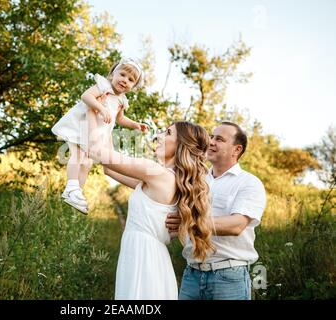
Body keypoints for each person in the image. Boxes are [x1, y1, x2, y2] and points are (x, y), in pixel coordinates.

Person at [88, 120, 214, 300]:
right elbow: (108, 169)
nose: (158, 136)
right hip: (146, 254)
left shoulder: (156, 173)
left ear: (181, 145)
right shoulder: (165, 179)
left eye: (168, 133)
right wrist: (111, 120)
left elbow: (97, 153)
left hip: (144, 256)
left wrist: (96, 117)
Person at [166, 121, 267, 300]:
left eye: (219, 139)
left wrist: (188, 222)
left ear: (237, 149)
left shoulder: (249, 183)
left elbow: (236, 225)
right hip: (191, 275)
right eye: (211, 137)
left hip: (228, 278)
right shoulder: (197, 179)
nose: (211, 142)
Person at [51, 58, 148, 215]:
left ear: (133, 86)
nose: (125, 80)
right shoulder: (104, 86)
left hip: (96, 133)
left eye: (131, 80)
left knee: (87, 164)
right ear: (112, 74)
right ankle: (71, 186)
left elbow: (120, 119)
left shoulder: (122, 100)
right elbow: (86, 96)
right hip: (81, 124)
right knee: (78, 155)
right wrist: (101, 109)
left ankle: (77, 194)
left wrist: (135, 124)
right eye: (122, 75)